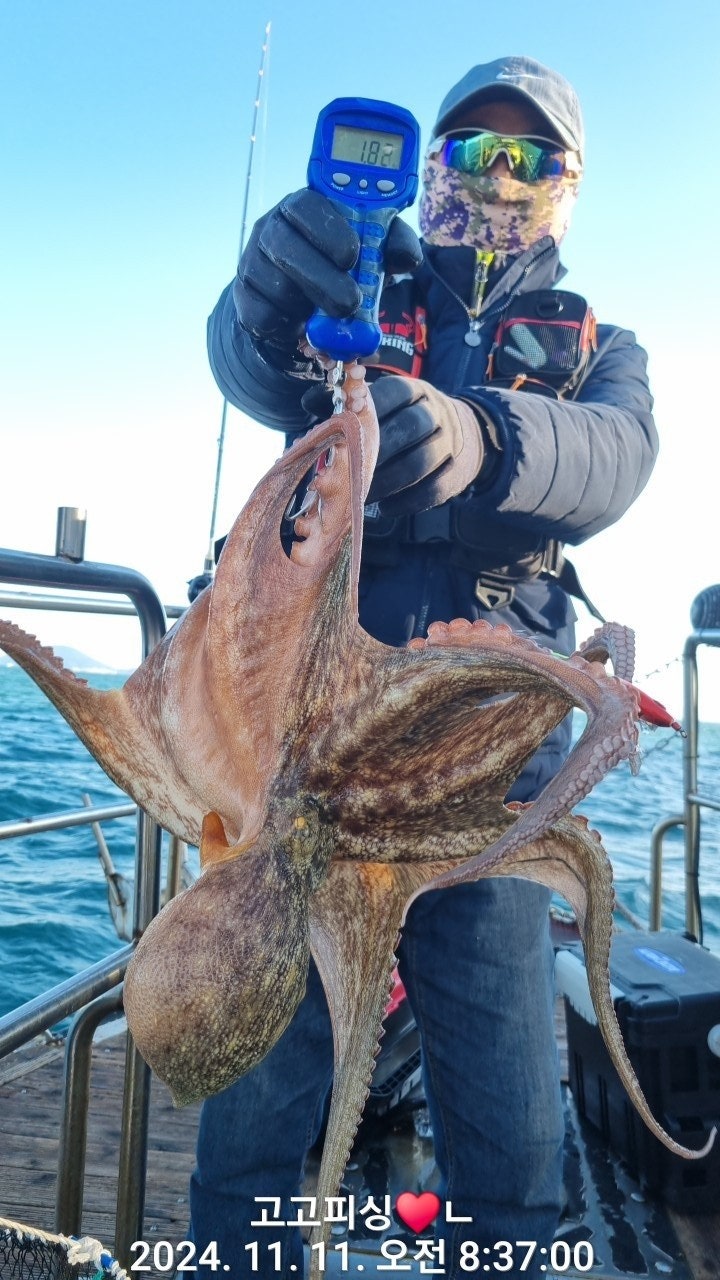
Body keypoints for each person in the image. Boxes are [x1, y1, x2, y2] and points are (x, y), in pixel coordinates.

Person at [190, 55, 657, 1278]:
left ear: (568, 183)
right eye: (470, 151)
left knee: (509, 1124)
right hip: (310, 749)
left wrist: (477, 434)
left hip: (490, 775)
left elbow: (615, 451)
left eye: (529, 157)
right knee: (256, 1096)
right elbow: (254, 363)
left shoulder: (601, 347)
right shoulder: (353, 281)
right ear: (430, 165)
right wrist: (265, 290)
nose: (498, 178)